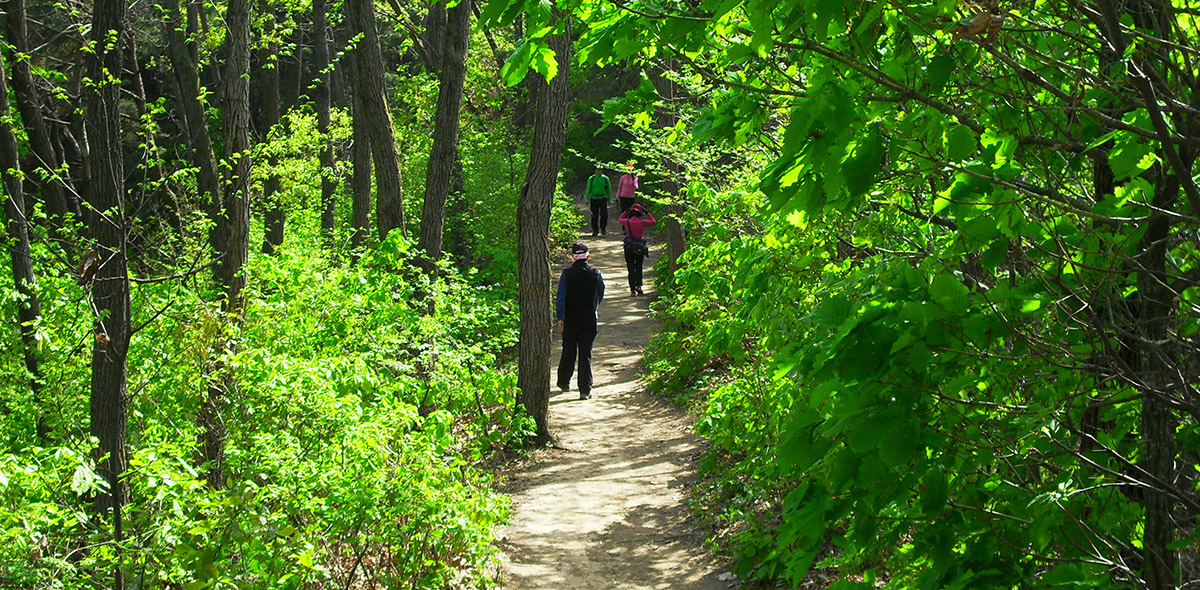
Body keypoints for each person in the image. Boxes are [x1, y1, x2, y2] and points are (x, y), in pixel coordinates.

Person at [556, 242, 605, 399]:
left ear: (573, 257)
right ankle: (585, 390)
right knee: (585, 353)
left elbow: (561, 297)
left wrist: (560, 317)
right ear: (588, 256)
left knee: (568, 349)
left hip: (570, 319)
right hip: (589, 318)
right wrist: (594, 306)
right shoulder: (595, 273)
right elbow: (601, 292)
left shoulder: (566, 274)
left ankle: (564, 382)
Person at [618, 203, 656, 296]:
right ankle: (639, 286)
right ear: (639, 213)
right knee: (638, 266)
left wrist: (626, 212)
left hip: (629, 246)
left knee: (630, 268)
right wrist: (646, 212)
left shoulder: (626, 222)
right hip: (639, 247)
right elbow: (653, 221)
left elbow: (620, 219)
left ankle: (632, 289)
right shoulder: (642, 222)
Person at [584, 167, 612, 236]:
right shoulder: (592, 178)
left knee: (604, 214)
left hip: (603, 198)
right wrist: (587, 198)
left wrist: (609, 198)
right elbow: (588, 188)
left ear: (602, 170)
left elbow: (609, 189)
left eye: (600, 170)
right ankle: (595, 229)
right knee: (594, 215)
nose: (598, 171)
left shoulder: (605, 179)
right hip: (594, 198)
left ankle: (603, 228)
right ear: (595, 170)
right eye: (597, 170)